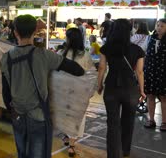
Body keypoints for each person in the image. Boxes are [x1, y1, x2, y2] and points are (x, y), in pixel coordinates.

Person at [0, 15, 85, 158]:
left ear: (15, 33)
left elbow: (5, 92)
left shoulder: (5, 58)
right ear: (35, 32)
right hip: (38, 115)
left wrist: (13, 111)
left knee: (22, 153)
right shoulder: (44, 55)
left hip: (18, 115)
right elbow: (78, 70)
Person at [97, 19, 146, 158]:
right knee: (128, 121)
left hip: (112, 88)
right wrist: (142, 90)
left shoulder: (106, 48)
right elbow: (140, 72)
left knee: (112, 123)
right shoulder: (137, 50)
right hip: (130, 89)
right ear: (129, 31)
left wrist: (99, 85)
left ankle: (113, 155)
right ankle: (125, 151)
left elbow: (101, 68)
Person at [58, 28, 94, 157]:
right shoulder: (85, 55)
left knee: (65, 115)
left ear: (68, 39)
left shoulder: (61, 53)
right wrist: (91, 91)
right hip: (80, 92)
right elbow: (91, 75)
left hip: (63, 91)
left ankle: (67, 137)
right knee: (78, 118)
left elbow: (55, 72)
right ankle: (72, 145)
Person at [143, 18, 166, 131]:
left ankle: (164, 122)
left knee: (164, 97)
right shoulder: (150, 38)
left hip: (164, 72)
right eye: (158, 25)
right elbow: (145, 53)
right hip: (150, 71)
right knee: (150, 95)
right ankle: (151, 119)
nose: (159, 28)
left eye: (162, 26)